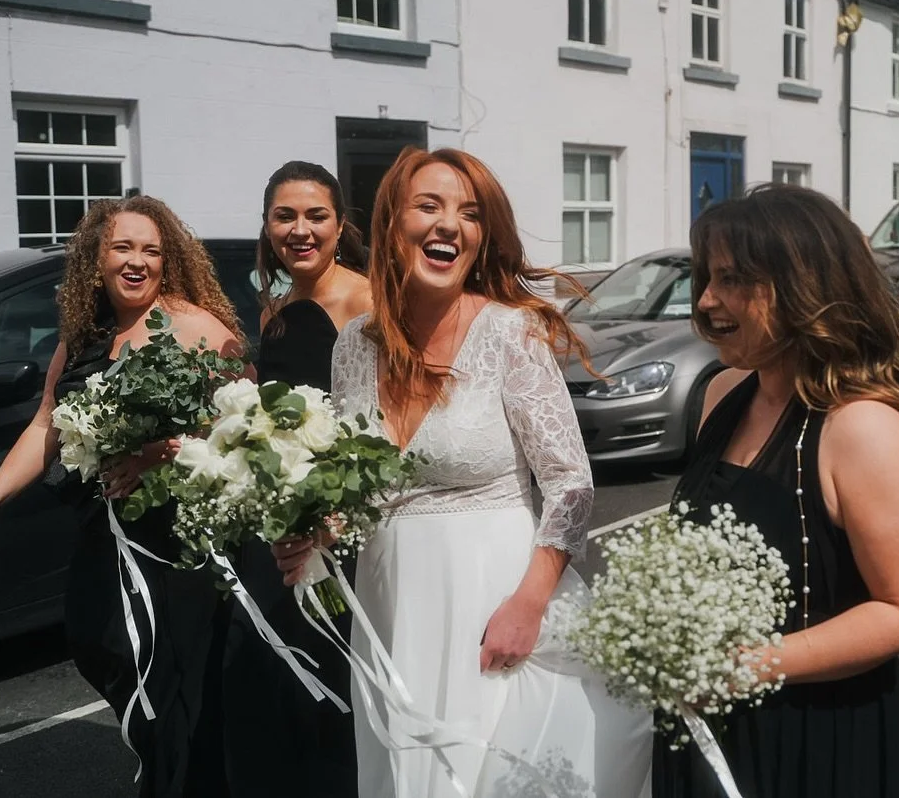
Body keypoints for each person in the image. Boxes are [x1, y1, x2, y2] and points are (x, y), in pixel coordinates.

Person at [273, 146, 652, 797]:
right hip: (392, 604)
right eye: (429, 206)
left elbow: (570, 483)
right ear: (393, 223)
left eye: (470, 214)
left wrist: (528, 606)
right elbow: (361, 490)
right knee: (407, 771)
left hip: (495, 599)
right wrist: (317, 536)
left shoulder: (511, 334)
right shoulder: (352, 346)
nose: (450, 224)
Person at [653, 183, 899, 798]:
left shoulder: (861, 427)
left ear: (803, 286)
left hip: (814, 733)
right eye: (706, 277)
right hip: (708, 721)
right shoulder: (722, 395)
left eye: (732, 279)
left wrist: (748, 667)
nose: (706, 300)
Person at [0, 195, 246, 797]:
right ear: (96, 258)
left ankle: (179, 781)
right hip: (102, 533)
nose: (137, 261)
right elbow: (46, 424)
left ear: (168, 261)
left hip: (173, 544)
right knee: (96, 641)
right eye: (122, 247)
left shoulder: (197, 328)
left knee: (173, 681)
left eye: (151, 250)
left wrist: (158, 452)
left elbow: (242, 428)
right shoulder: (82, 336)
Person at [220, 161, 371, 797]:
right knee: (267, 670)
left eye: (316, 216)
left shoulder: (370, 301)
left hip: (347, 523)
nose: (300, 230)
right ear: (267, 226)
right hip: (281, 521)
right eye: (285, 216)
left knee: (336, 674)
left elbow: (387, 423)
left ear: (340, 225)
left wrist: (337, 514)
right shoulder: (274, 312)